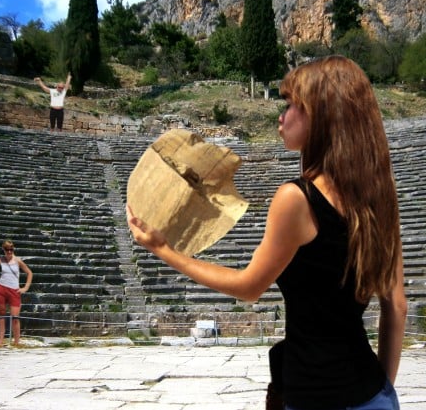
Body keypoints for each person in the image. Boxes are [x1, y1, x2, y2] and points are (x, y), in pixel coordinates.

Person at [127, 55, 407, 410]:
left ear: (321, 116)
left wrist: (164, 250)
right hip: (373, 395)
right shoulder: (380, 199)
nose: (282, 114)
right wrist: (383, 388)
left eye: (291, 104)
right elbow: (396, 306)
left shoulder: (297, 199)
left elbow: (249, 286)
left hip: (313, 397)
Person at [0, 240, 33, 346]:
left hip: (14, 290)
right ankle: (1, 338)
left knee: (15, 317)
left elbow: (29, 272)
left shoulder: (17, 260)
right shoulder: (0, 259)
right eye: (7, 250)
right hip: (2, 288)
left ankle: (16, 340)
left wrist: (25, 287)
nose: (9, 252)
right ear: (3, 250)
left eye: (11, 249)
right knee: (2, 314)